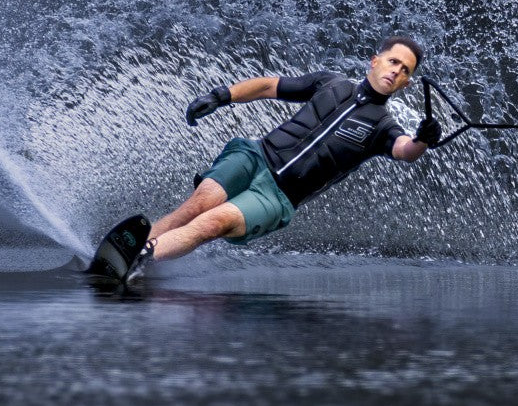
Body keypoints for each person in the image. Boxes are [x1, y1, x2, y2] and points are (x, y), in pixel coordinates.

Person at [133, 36, 440, 273]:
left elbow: (405, 150)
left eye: (404, 70)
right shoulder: (330, 83)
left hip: (277, 197)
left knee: (211, 223)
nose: (396, 70)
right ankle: (132, 253)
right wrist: (221, 96)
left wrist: (422, 140)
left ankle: (140, 259)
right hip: (255, 157)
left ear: (406, 83)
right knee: (198, 205)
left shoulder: (383, 126)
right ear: (375, 61)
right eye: (393, 61)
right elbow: (269, 86)